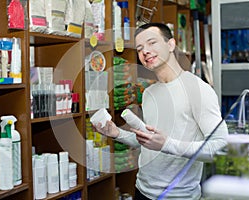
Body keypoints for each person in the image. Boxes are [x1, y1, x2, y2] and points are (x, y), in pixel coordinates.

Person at [93, 23, 228, 200]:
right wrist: (117, 133)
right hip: (142, 190)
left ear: (171, 44)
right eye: (140, 48)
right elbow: (149, 142)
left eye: (152, 43)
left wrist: (167, 144)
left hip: (178, 196)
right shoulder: (149, 93)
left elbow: (220, 147)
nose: (145, 51)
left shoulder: (197, 89)